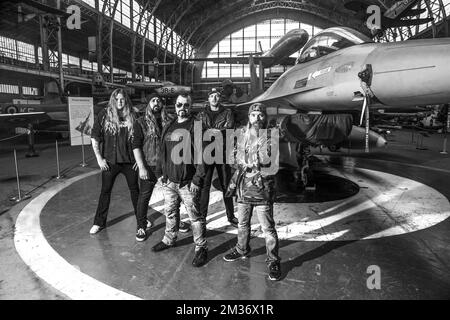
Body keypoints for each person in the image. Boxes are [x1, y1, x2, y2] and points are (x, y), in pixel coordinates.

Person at [223, 103, 282, 281]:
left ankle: (273, 260)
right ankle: (242, 248)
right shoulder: (241, 136)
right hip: (243, 189)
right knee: (242, 224)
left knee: (268, 228)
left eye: (260, 114)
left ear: (265, 117)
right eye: (253, 114)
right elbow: (232, 159)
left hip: (262, 190)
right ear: (249, 117)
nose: (257, 117)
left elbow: (269, 161)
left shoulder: (271, 136)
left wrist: (251, 156)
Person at [152, 94, 208, 268]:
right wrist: (160, 172)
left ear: (190, 107)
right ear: (174, 106)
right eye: (179, 104)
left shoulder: (197, 126)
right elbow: (163, 151)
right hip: (169, 181)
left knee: (195, 217)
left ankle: (201, 247)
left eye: (186, 105)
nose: (182, 107)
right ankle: (169, 239)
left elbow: (203, 156)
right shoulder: (168, 125)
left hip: (187, 182)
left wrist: (197, 180)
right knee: (170, 212)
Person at [89, 88, 148, 234]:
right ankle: (99, 223)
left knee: (135, 192)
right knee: (105, 192)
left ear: (126, 100)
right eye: (117, 99)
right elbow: (95, 137)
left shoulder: (134, 115)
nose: (120, 102)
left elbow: (144, 138)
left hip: (129, 162)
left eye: (122, 99)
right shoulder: (104, 114)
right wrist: (99, 159)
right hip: (110, 162)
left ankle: (142, 221)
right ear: (113, 100)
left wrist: (140, 160)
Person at [196, 88, 238, 227]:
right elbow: (198, 132)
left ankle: (230, 216)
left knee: (226, 185)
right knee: (205, 185)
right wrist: (218, 132)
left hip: (222, 153)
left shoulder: (228, 112)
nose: (214, 98)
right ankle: (202, 216)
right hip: (206, 153)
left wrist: (209, 132)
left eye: (217, 96)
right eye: (211, 96)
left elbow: (229, 130)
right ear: (208, 98)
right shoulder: (201, 115)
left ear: (220, 98)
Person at [132, 94, 170, 241]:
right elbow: (136, 146)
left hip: (167, 166)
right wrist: (141, 166)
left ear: (162, 104)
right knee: (144, 196)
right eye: (153, 100)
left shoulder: (169, 121)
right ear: (148, 104)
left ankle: (176, 222)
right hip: (150, 165)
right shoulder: (141, 122)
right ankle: (141, 226)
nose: (156, 103)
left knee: (172, 196)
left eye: (159, 100)